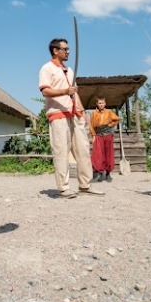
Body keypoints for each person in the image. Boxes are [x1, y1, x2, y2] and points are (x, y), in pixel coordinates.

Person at [38, 38, 105, 198]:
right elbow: (45, 91)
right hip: (58, 115)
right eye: (65, 49)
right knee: (61, 151)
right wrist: (64, 91)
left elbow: (74, 92)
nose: (68, 51)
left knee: (83, 150)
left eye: (68, 49)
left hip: (75, 115)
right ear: (55, 51)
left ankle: (85, 185)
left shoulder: (69, 70)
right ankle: (63, 188)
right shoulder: (46, 69)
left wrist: (82, 112)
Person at [89, 97, 121, 182]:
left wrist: (110, 125)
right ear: (97, 104)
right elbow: (91, 125)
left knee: (108, 153)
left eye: (102, 103)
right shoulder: (93, 113)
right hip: (98, 134)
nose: (101, 105)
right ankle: (97, 174)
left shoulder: (109, 112)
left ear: (105, 103)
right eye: (99, 103)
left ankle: (108, 174)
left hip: (108, 134)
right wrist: (93, 136)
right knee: (97, 154)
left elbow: (117, 119)